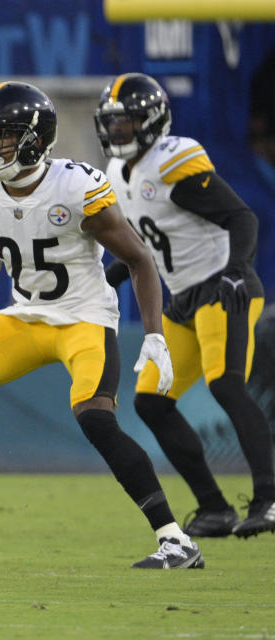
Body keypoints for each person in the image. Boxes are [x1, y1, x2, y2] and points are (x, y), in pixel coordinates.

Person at [0, 81, 204, 569]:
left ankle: (176, 539)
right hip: (25, 315)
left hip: (84, 317)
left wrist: (155, 334)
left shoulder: (76, 187)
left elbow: (140, 260)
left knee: (95, 417)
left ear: (34, 139)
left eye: (1, 137)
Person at [96, 73, 275, 539]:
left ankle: (269, 499)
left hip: (223, 287)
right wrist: (102, 281)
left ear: (152, 122)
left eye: (127, 122)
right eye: (113, 123)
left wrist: (238, 268)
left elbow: (242, 217)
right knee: (152, 403)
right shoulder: (118, 173)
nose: (118, 132)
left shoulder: (173, 160)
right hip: (182, 298)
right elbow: (143, 247)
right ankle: (214, 507)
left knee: (227, 386)